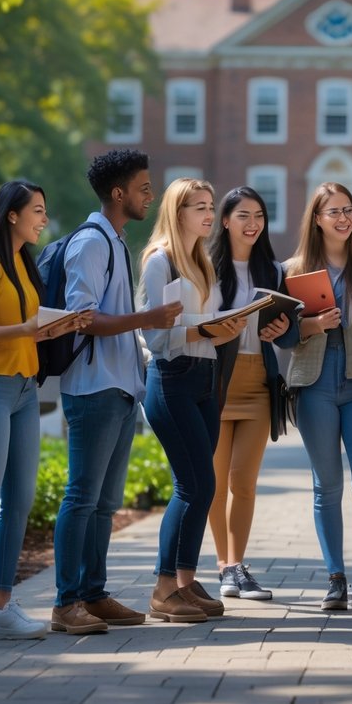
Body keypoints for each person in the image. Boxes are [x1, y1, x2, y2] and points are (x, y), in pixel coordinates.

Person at [0, 181, 90, 649]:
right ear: (11, 214)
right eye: (38, 211)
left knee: (18, 503)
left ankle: (0, 609)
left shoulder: (24, 265)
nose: (44, 219)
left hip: (24, 390)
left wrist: (53, 328)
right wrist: (25, 327)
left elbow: (24, 331)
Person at [51, 149, 183, 635]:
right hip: (94, 387)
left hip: (122, 387)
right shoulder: (90, 243)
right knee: (82, 497)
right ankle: (66, 603)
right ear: (118, 193)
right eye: (145, 187)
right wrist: (147, 319)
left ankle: (93, 593)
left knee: (105, 505)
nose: (152, 195)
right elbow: (81, 317)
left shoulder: (115, 240)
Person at [138, 178, 245, 624]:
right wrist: (204, 330)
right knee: (192, 484)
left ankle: (184, 581)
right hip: (172, 378)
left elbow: (207, 322)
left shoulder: (202, 261)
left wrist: (227, 327)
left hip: (205, 378)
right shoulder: (159, 262)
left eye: (209, 205)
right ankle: (163, 588)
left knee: (207, 486)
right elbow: (154, 334)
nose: (207, 214)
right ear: (176, 212)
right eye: (198, 206)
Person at [286, 182, 352, 611]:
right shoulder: (292, 270)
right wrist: (312, 325)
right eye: (333, 212)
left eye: (348, 210)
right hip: (313, 384)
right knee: (326, 486)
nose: (343, 218)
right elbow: (283, 335)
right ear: (316, 218)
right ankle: (335, 579)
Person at [207, 186, 297, 601]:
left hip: (258, 381)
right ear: (224, 221)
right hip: (215, 383)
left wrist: (281, 331)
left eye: (259, 215)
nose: (253, 223)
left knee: (244, 481)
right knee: (214, 482)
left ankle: (237, 565)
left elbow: (285, 335)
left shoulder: (274, 272)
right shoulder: (205, 267)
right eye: (243, 215)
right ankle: (224, 565)